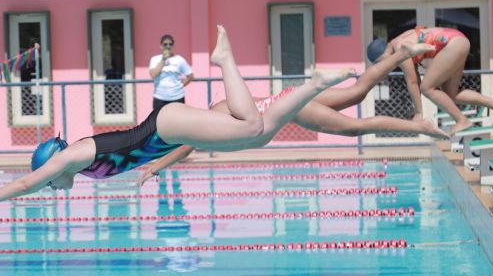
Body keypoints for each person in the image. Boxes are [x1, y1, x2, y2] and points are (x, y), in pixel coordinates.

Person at [0, 26, 354, 219]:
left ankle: (236, 64)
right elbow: (38, 182)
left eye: (50, 183)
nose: (52, 189)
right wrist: (161, 164)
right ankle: (303, 86)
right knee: (258, 133)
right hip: (165, 133)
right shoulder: (79, 167)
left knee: (252, 127)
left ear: (51, 167)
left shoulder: (74, 156)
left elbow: (28, 182)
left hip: (163, 125)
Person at [137, 40, 448, 186]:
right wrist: (158, 165)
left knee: (355, 127)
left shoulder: (210, 119)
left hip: (293, 108)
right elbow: (187, 145)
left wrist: (157, 166)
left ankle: (418, 124)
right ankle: (400, 56)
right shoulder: (212, 114)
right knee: (358, 92)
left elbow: (187, 146)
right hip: (291, 98)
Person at [367, 26, 493, 135]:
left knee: (427, 88)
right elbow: (415, 77)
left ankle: (462, 120)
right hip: (459, 40)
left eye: (381, 63)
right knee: (451, 95)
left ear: (383, 55)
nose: (384, 67)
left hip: (452, 44)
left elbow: (413, 82)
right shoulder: (398, 41)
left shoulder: (400, 49)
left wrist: (418, 113)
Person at [149, 34, 194, 110]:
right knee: (158, 121)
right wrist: (163, 59)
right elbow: (153, 74)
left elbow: (190, 76)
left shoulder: (179, 59)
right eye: (165, 44)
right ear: (161, 46)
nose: (168, 46)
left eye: (170, 44)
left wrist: (179, 85)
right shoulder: (155, 59)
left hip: (177, 97)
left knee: (177, 121)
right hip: (160, 97)